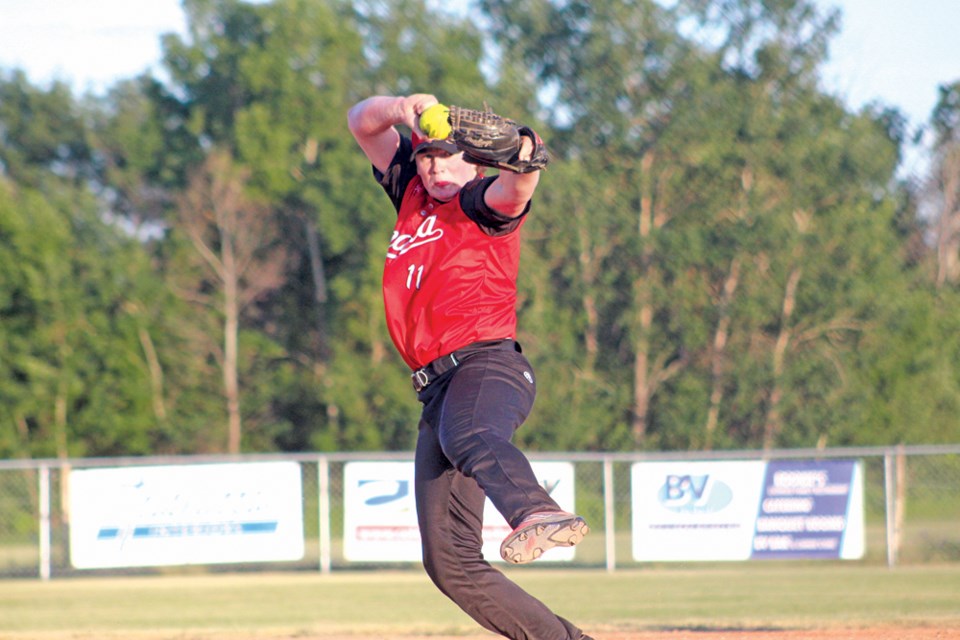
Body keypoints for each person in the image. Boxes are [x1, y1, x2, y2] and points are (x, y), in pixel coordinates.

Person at [347, 93, 593, 640]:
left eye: (447, 155)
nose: (434, 165)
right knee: (450, 562)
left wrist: (525, 155)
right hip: (437, 392)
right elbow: (360, 122)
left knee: (471, 432)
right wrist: (401, 107)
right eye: (428, 155)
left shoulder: (480, 200)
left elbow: (516, 190)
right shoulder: (411, 193)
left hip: (486, 367)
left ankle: (535, 511)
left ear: (474, 161)